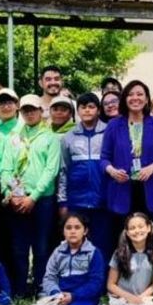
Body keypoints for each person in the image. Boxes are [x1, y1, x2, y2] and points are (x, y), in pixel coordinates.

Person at [0, 94, 61, 297]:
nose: (29, 113)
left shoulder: (50, 137)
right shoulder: (14, 138)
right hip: (17, 199)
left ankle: (40, 287)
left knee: (42, 247)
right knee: (19, 247)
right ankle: (19, 288)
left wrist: (33, 197)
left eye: (33, 109)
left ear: (41, 111)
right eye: (25, 110)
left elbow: (51, 170)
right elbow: (5, 168)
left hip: (42, 199)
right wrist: (10, 193)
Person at [101, 79, 153, 233]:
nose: (135, 98)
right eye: (130, 95)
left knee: (152, 240)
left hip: (151, 191)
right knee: (124, 242)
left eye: (140, 94)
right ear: (124, 99)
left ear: (147, 99)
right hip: (122, 190)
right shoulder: (114, 125)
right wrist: (112, 171)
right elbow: (104, 158)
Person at [58, 92, 110, 260]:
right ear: (77, 111)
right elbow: (63, 171)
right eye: (83, 107)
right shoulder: (68, 137)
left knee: (103, 245)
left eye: (91, 107)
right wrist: (63, 201)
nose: (87, 110)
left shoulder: (109, 133)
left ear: (98, 110)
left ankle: (102, 284)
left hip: (103, 201)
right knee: (77, 245)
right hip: (77, 201)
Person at [41, 213, 106, 305]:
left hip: (83, 296)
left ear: (85, 231)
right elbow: (49, 277)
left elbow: (96, 282)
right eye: (68, 228)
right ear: (63, 231)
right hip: (60, 295)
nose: (72, 231)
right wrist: (56, 294)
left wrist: (73, 296)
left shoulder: (93, 253)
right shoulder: (58, 252)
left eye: (77, 227)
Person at [107, 212, 153, 304]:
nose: (137, 231)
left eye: (141, 227)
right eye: (132, 228)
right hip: (122, 298)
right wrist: (129, 297)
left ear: (148, 228)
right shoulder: (119, 253)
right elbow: (111, 285)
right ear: (127, 232)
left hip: (144, 298)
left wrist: (140, 298)